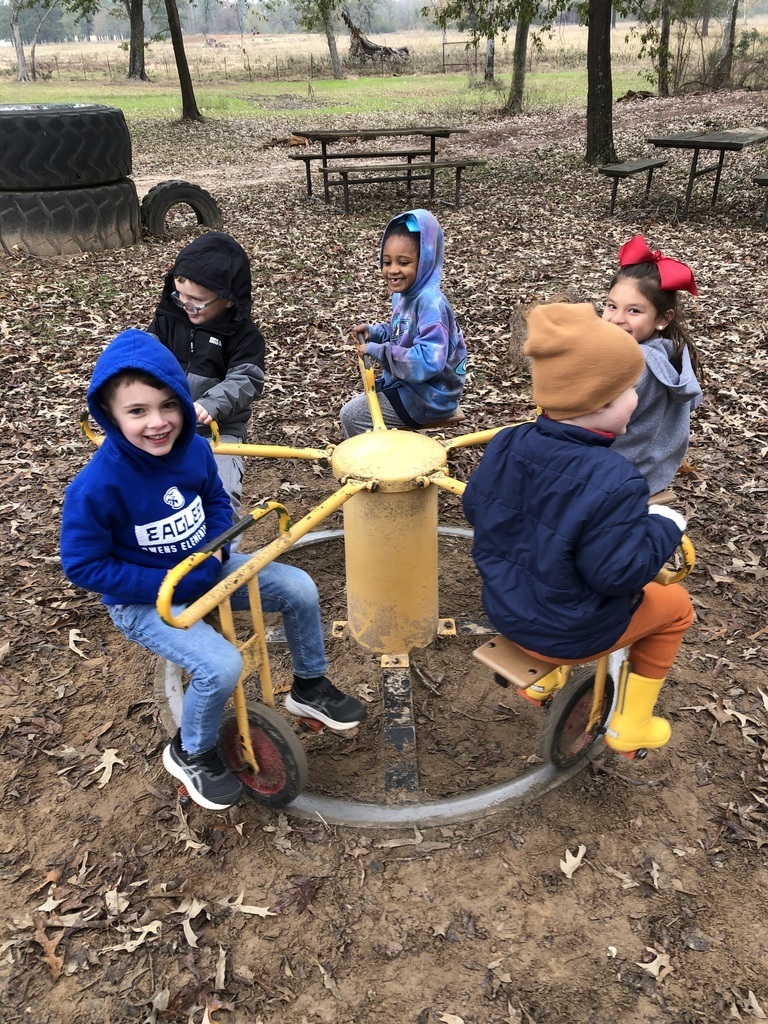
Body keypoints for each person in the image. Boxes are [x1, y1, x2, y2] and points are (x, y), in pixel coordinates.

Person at [60, 330, 366, 811]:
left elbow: (218, 503)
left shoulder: (196, 451)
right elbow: (83, 565)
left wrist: (217, 549)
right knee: (221, 665)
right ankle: (192, 750)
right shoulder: (97, 486)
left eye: (169, 405)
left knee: (298, 587)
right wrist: (166, 582)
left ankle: (309, 686)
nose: (157, 422)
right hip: (148, 599)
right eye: (137, 411)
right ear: (110, 415)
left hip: (208, 569)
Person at [463, 303, 695, 755]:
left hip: (504, 607)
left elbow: (476, 507)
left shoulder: (508, 441)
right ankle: (631, 724)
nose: (637, 400)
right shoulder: (616, 478)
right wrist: (665, 525)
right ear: (601, 402)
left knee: (554, 563)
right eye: (630, 391)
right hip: (568, 633)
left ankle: (543, 682)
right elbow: (617, 574)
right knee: (676, 606)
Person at [148, 231, 266, 522]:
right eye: (179, 295)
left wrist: (212, 403)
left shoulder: (244, 337)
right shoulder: (168, 319)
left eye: (197, 300)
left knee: (220, 494)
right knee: (150, 490)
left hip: (219, 429)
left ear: (228, 300)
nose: (185, 305)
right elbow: (145, 356)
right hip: (164, 424)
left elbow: (247, 379)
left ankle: (223, 547)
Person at [340, 209, 467, 438]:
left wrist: (381, 351)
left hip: (432, 397)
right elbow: (402, 331)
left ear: (425, 262)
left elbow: (428, 361)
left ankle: (379, 461)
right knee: (364, 404)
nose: (393, 270)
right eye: (387, 262)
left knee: (353, 416)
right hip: (412, 387)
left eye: (404, 262)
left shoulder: (430, 303)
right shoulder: (403, 295)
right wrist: (376, 333)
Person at [601, 234, 703, 497]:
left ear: (663, 318)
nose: (616, 319)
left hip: (608, 477)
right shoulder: (674, 353)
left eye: (633, 311)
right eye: (611, 306)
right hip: (652, 473)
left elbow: (591, 419)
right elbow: (693, 401)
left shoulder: (631, 364)